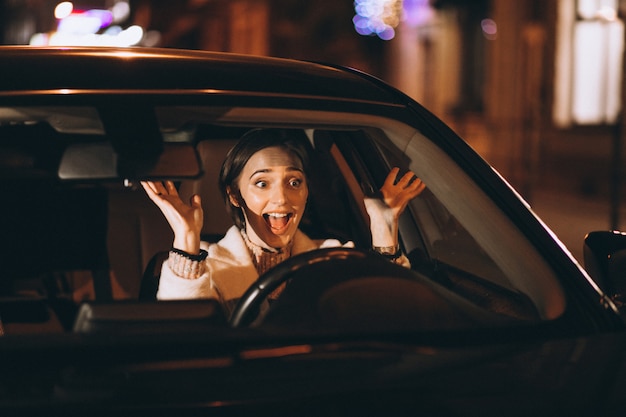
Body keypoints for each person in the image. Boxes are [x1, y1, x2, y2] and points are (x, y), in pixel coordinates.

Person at [141, 128, 425, 316]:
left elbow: (393, 319)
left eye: (293, 182)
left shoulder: (332, 256)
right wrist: (186, 241)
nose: (281, 198)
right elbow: (186, 340)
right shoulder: (205, 265)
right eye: (262, 183)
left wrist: (384, 226)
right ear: (235, 195)